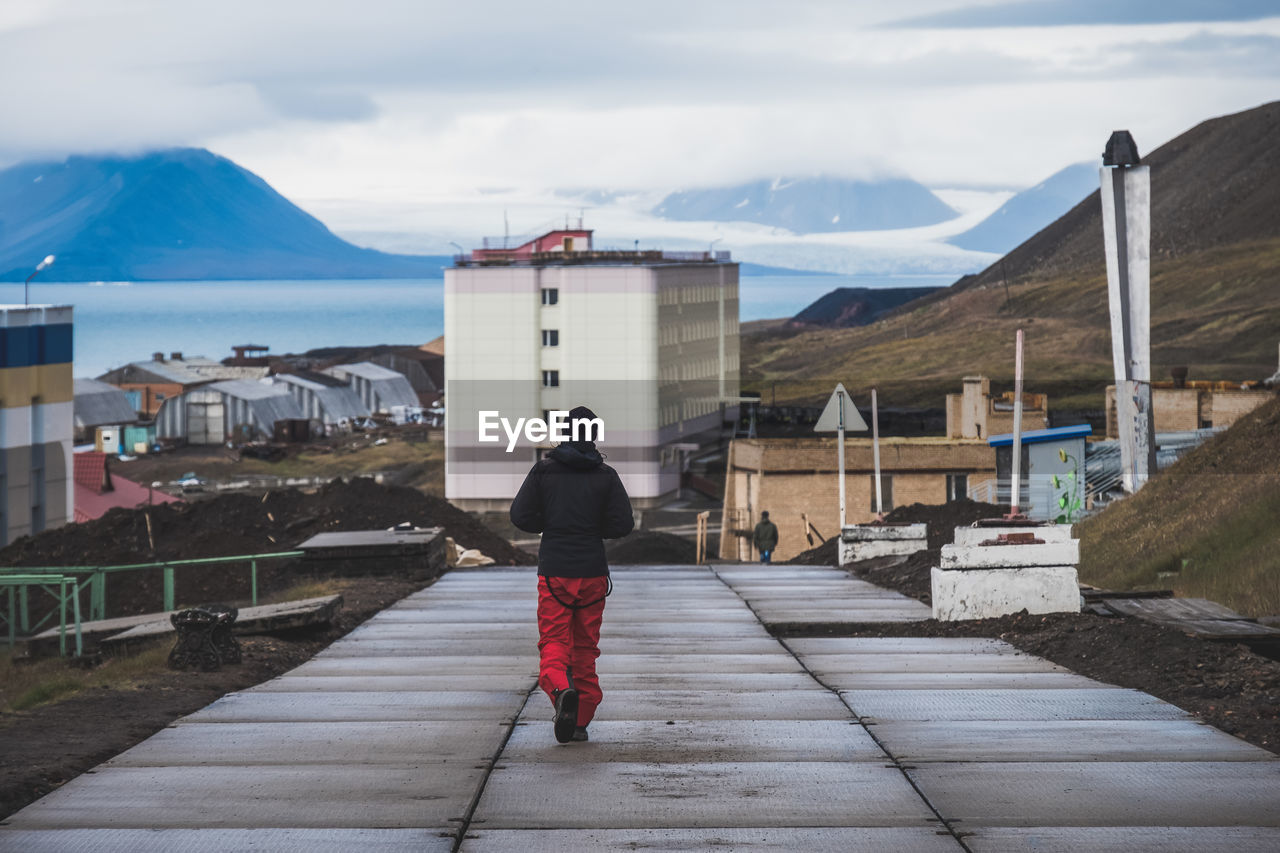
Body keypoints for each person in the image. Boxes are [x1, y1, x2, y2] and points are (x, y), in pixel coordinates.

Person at [510, 405, 634, 744]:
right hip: (593, 572)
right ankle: (580, 721)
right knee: (585, 647)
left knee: (554, 642)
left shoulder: (544, 471)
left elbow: (520, 516)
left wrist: (549, 524)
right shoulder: (606, 475)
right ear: (593, 436)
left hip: (555, 573)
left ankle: (562, 690)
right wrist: (594, 529)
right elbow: (623, 524)